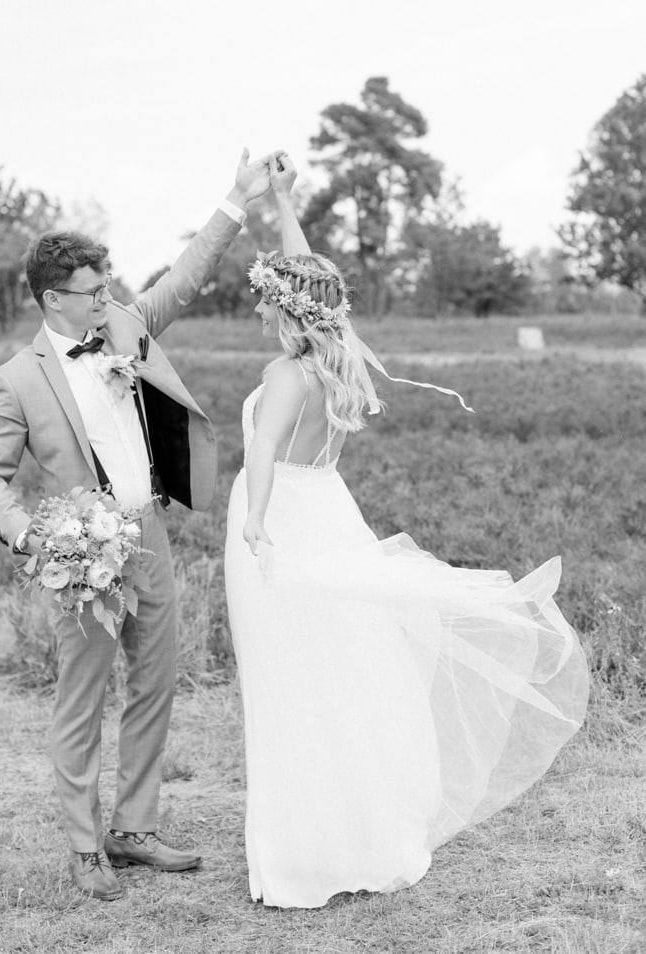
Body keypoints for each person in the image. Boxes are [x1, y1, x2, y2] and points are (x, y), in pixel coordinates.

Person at [223, 155, 589, 909]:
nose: (259, 310)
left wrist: (256, 523)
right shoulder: (338, 357)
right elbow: (312, 282)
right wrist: (285, 203)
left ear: (286, 309)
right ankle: (363, 823)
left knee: (292, 678)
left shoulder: (286, 372)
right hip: (331, 510)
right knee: (346, 668)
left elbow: (260, 452)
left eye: (266, 301)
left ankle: (309, 850)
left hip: (287, 519)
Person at [0, 149, 276, 901]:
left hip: (151, 536)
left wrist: (236, 200)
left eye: (106, 283)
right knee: (82, 700)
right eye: (90, 288)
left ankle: (134, 830)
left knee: (155, 684)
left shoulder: (126, 325)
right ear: (52, 301)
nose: (106, 294)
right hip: (83, 560)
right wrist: (33, 538)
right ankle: (83, 846)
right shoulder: (17, 379)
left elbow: (186, 277)